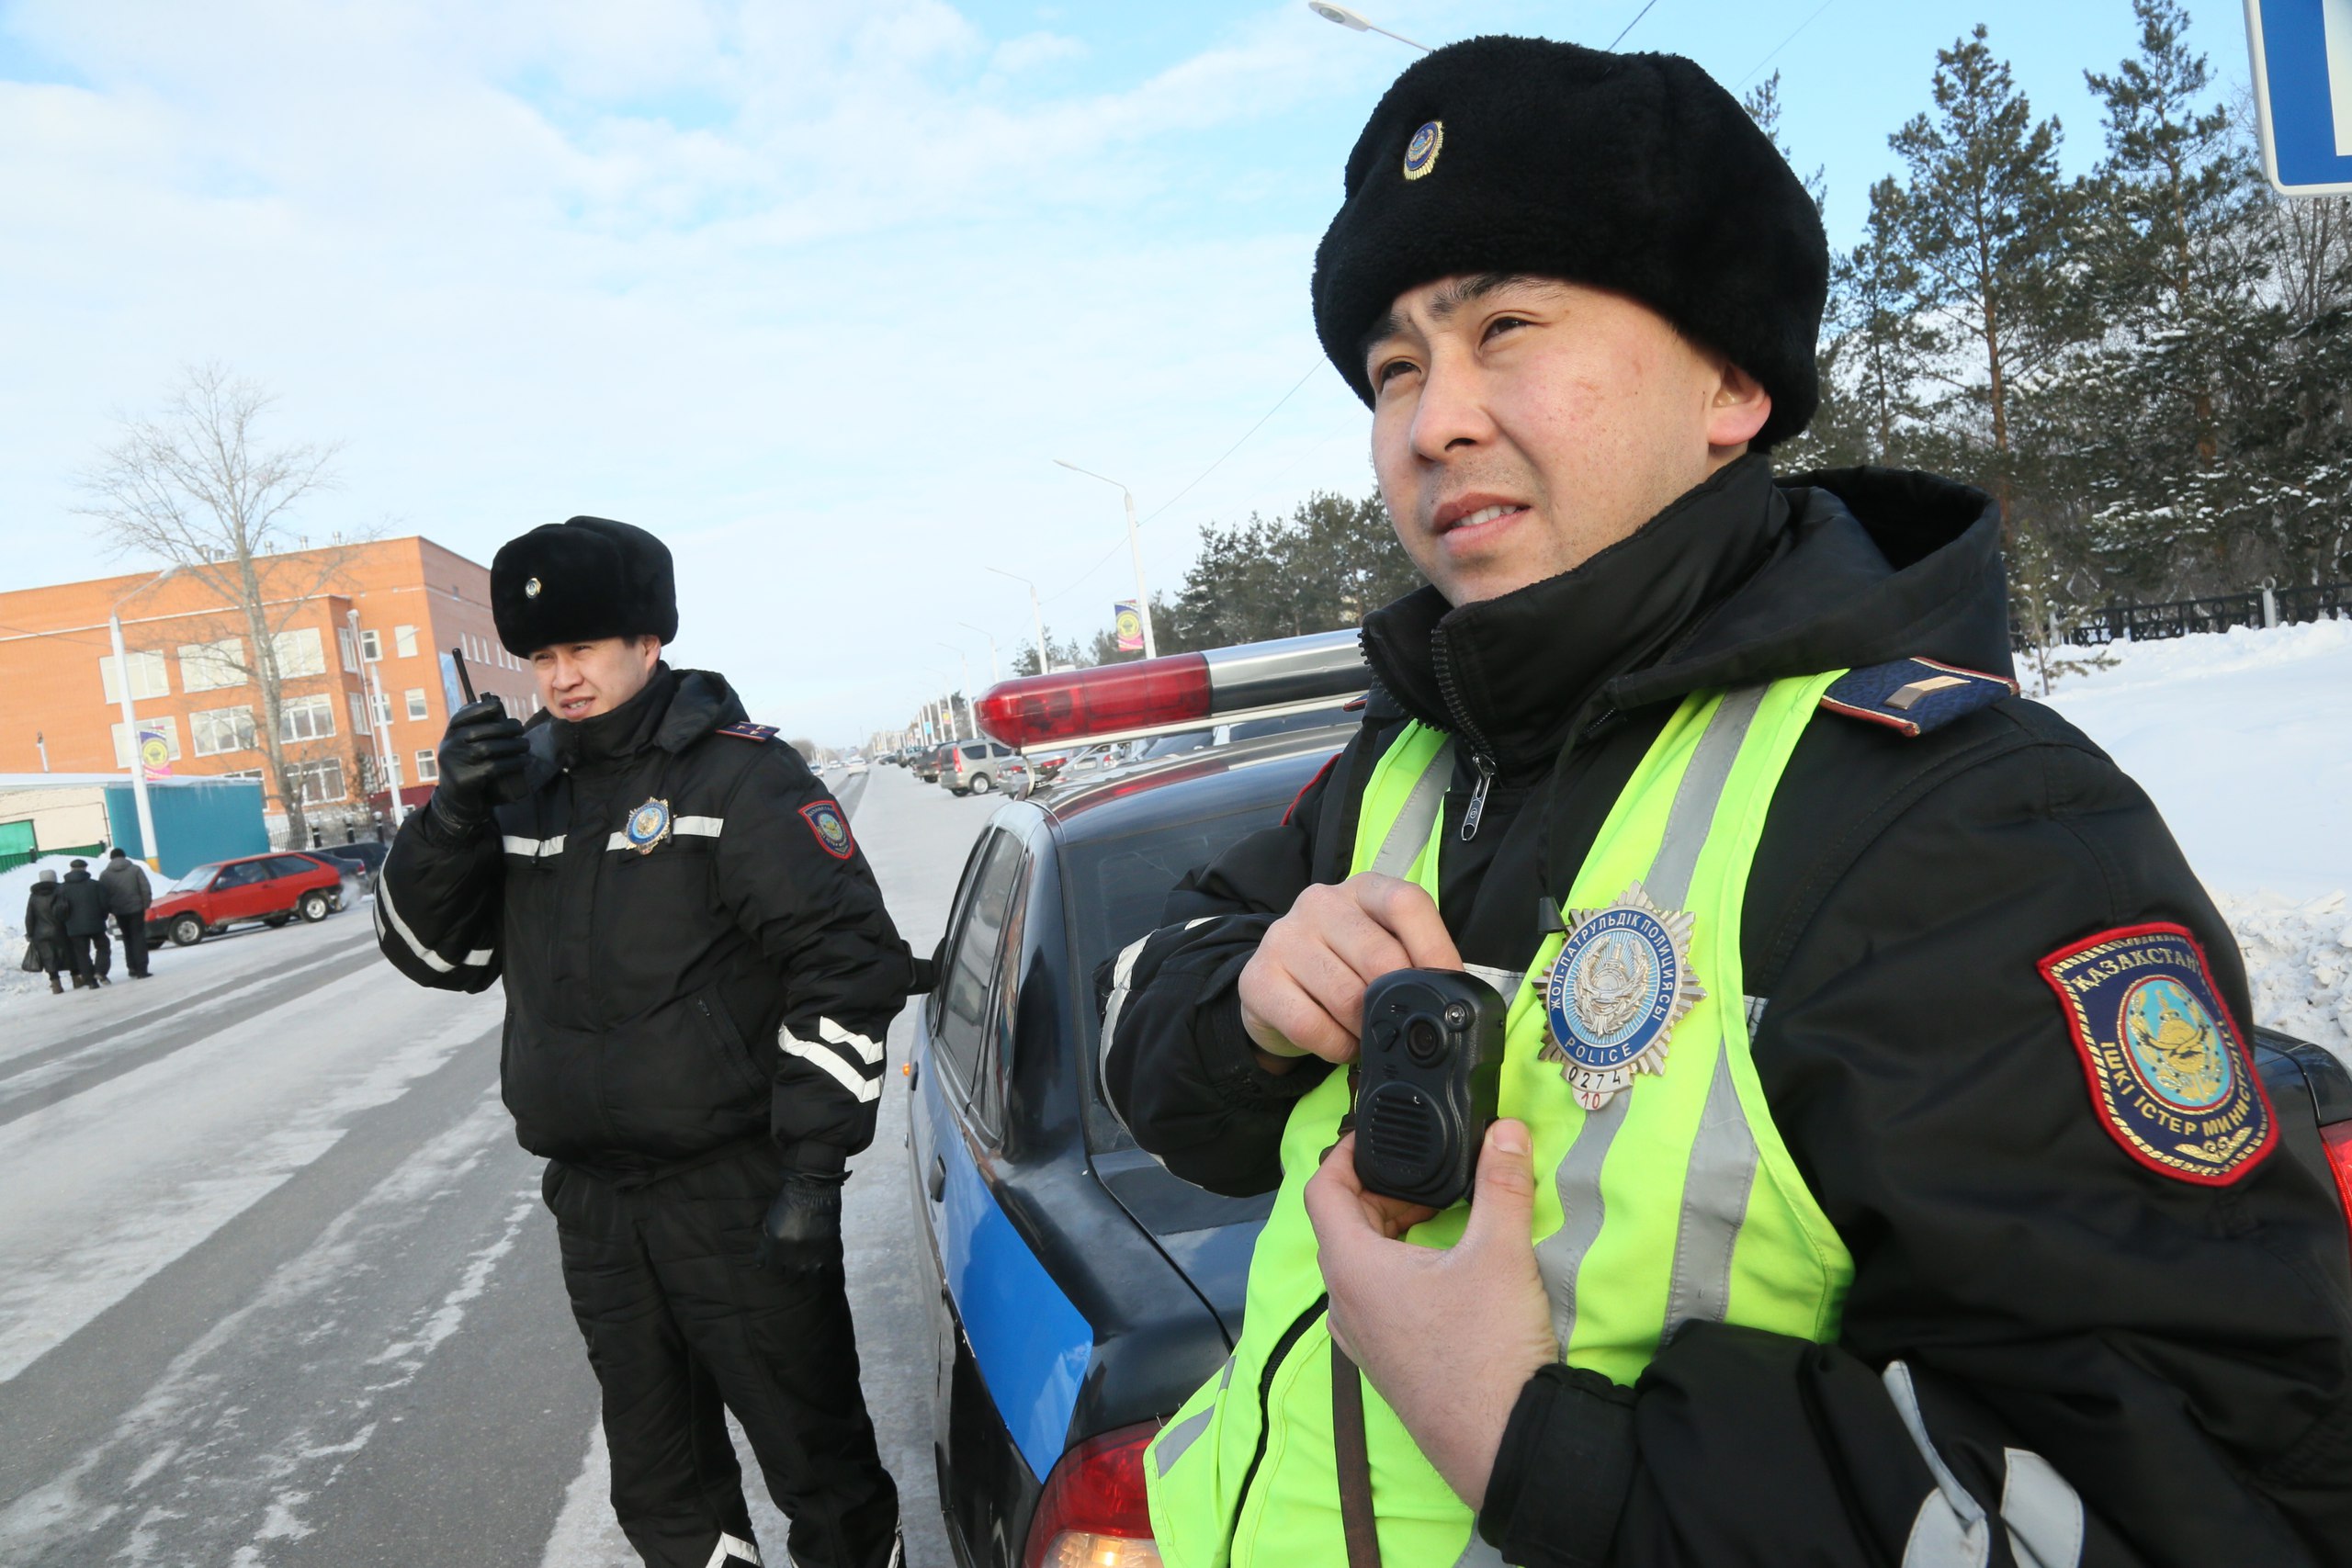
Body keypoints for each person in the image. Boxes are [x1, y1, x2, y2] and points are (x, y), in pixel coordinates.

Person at [1102, 38, 2352, 1568]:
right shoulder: (1410, 758)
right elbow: (1157, 1060)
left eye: (1507, 329)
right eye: (1398, 369)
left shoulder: (1954, 824)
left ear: (1733, 383)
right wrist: (1242, 998)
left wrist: (1538, 1444)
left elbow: (2219, 1504)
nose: (1432, 423)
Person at [374, 515, 917, 1568]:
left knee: (820, 1472)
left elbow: (849, 966)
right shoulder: (518, 783)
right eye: (540, 657)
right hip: (596, 1202)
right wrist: (449, 814)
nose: (561, 678)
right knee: (663, 1487)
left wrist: (811, 1170)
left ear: (649, 641)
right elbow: (429, 955)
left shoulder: (739, 780)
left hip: (739, 1191)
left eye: (582, 649)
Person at [100, 847, 154, 979]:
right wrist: (145, 905)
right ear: (124, 857)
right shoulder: (135, 870)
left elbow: (103, 894)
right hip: (136, 909)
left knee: (127, 938)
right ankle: (142, 969)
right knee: (138, 938)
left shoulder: (105, 875)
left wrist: (110, 909)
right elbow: (145, 889)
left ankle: (132, 968)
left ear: (111, 858)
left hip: (119, 911)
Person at [56, 858, 111, 987]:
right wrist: (102, 917)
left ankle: (90, 982)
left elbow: (59, 909)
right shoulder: (95, 885)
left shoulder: (62, 888)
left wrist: (67, 922)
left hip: (74, 927)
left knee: (82, 954)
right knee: (103, 947)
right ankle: (100, 971)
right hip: (96, 923)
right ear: (85, 868)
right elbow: (105, 904)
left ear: (71, 869)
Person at [23, 869, 70, 994]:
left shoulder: (34, 896)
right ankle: (77, 978)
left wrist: (30, 933)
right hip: (61, 930)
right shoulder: (61, 891)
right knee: (69, 954)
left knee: (48, 958)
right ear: (54, 878)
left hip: (41, 933)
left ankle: (56, 985)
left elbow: (29, 917)